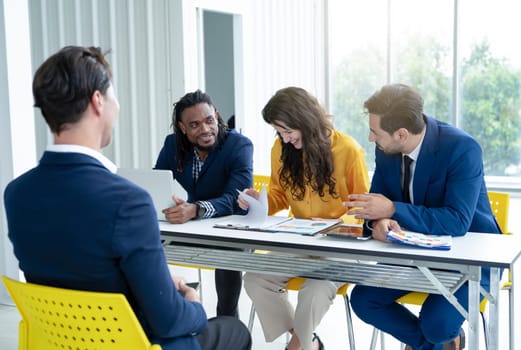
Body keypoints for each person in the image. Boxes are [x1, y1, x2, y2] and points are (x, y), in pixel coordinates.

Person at [3, 46, 251, 350]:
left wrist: (158, 286)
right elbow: (169, 320)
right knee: (235, 330)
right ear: (98, 101)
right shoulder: (128, 201)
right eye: (113, 96)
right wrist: (193, 302)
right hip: (132, 342)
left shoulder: (17, 194)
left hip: (62, 341)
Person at [346, 83, 502, 350]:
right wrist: (379, 222)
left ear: (402, 134)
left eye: (375, 132)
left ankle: (436, 338)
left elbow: (456, 220)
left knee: (436, 324)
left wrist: (393, 210)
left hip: (470, 261)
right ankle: (439, 345)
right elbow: (378, 203)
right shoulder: (387, 149)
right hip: (415, 255)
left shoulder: (462, 148)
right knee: (363, 299)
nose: (371, 138)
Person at [239, 86, 370, 350]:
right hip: (298, 242)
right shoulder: (280, 149)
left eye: (288, 131)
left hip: (340, 247)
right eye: (280, 132)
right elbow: (279, 195)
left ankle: (297, 345)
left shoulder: (349, 150)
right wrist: (258, 201)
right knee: (254, 278)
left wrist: (336, 227)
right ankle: (306, 340)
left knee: (314, 290)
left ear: (306, 121)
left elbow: (363, 207)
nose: (285, 139)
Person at [154, 89, 253, 318]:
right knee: (147, 239)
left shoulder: (239, 146)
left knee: (229, 250)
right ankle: (164, 310)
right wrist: (168, 204)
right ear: (182, 127)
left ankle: (227, 320)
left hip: (233, 228)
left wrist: (196, 209)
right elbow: (157, 182)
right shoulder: (173, 145)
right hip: (195, 229)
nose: (205, 129)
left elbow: (234, 199)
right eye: (195, 125)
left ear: (217, 116)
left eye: (209, 121)